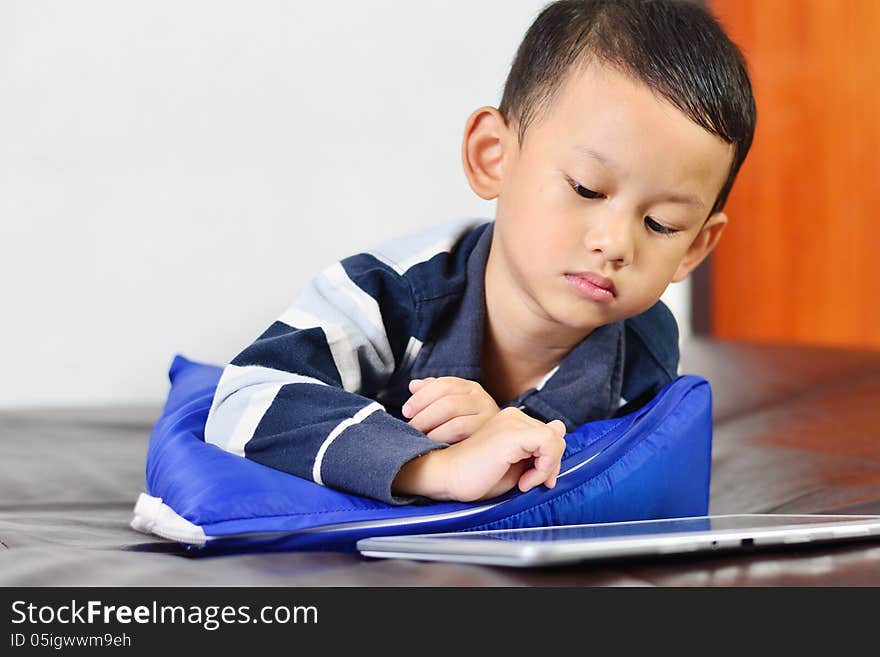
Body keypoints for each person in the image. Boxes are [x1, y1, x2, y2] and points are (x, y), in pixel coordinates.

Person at [204, 0, 756, 506]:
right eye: (587, 189)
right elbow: (243, 399)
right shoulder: (390, 292)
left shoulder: (644, 349)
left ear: (695, 246)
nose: (614, 243)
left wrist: (506, 435)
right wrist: (437, 467)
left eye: (662, 223)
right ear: (493, 157)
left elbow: (611, 481)